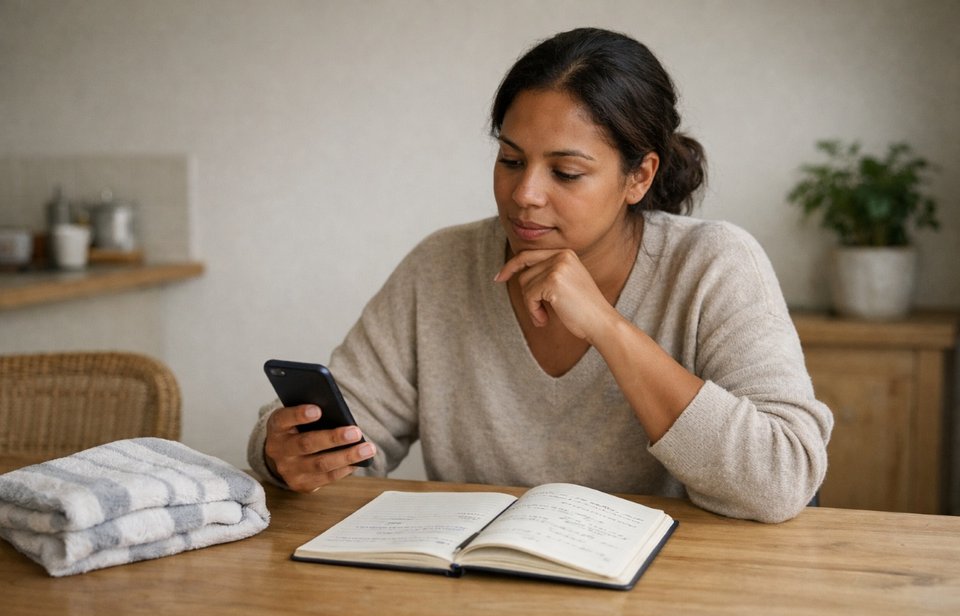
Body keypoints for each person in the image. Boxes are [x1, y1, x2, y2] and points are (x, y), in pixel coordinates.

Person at [248, 27, 832, 523]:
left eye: (567, 172)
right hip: (477, 589)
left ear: (639, 177)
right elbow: (348, 440)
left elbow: (781, 480)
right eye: (510, 160)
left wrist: (607, 326)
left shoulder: (714, 265)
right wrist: (284, 453)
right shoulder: (442, 265)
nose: (524, 194)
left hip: (669, 594)